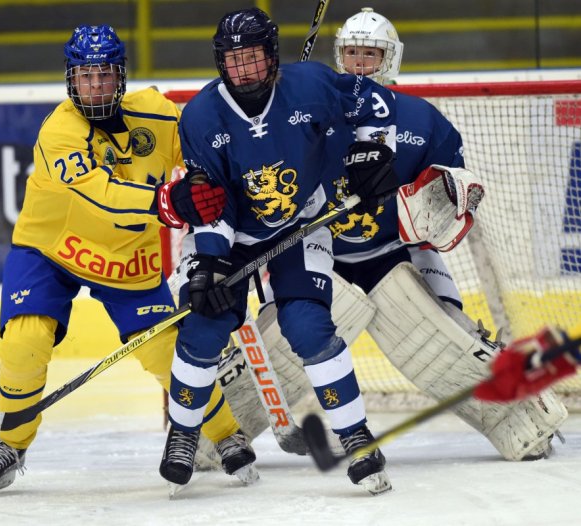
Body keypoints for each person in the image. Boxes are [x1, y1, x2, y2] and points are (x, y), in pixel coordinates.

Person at [228, 7, 566, 463]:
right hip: (316, 255)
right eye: (352, 53)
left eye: (371, 53)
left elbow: (451, 201)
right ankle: (217, 430)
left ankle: (520, 420)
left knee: (444, 345)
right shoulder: (303, 111)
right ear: (338, 55)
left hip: (395, 255)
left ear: (391, 58)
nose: (360, 63)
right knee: (279, 356)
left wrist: (443, 198)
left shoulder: (422, 121)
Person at [0, 24, 257, 497]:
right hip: (51, 247)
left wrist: (230, 167)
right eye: (85, 76)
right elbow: (99, 194)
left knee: (166, 352)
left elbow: (204, 151)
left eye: (104, 75)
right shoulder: (59, 131)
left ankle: (226, 434)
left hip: (126, 255)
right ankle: (10, 445)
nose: (94, 86)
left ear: (121, 77)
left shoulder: (157, 114)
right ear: (69, 79)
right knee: (26, 338)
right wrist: (169, 201)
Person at [159, 7, 401, 496]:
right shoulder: (202, 116)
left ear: (271, 57)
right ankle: (182, 434)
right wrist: (208, 262)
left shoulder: (312, 84)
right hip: (232, 235)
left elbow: (374, 101)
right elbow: (210, 203)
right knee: (205, 324)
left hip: (302, 221)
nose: (242, 70)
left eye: (251, 59)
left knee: (309, 326)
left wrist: (375, 150)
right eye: (232, 61)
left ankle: (356, 436)